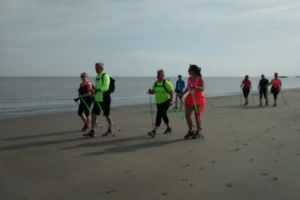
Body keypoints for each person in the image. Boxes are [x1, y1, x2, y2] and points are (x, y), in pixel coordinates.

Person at [85, 63, 112, 137]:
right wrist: (93, 93)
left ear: (101, 68)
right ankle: (92, 131)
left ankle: (109, 129)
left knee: (107, 115)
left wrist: (96, 90)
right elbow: (96, 87)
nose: (96, 69)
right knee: (93, 114)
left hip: (105, 98)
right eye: (95, 67)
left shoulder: (105, 75)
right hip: (97, 99)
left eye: (97, 67)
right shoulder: (97, 76)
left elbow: (106, 87)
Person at [148, 69, 174, 137]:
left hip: (166, 101)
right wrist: (150, 91)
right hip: (158, 102)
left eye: (160, 74)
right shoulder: (156, 83)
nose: (158, 76)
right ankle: (168, 128)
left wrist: (171, 100)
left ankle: (154, 131)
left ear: (163, 75)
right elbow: (153, 92)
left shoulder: (166, 83)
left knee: (162, 113)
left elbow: (171, 92)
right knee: (160, 115)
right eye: (158, 74)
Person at [182, 65, 205, 139]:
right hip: (190, 97)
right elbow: (187, 87)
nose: (188, 71)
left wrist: (195, 87)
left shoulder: (199, 79)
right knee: (187, 115)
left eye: (189, 70)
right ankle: (191, 130)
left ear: (193, 71)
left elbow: (202, 88)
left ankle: (198, 132)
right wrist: (182, 93)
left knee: (197, 116)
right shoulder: (189, 78)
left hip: (198, 98)